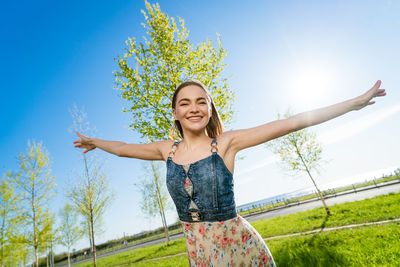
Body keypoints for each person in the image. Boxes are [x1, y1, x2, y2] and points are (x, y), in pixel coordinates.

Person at [73, 79, 386, 266]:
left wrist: (353, 104)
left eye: (201, 102)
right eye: (185, 103)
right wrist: (93, 142)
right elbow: (123, 147)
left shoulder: (225, 144)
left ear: (210, 109)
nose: (193, 108)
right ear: (175, 112)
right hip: (198, 248)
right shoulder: (165, 150)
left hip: (235, 243)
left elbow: (293, 122)